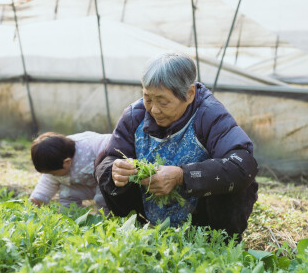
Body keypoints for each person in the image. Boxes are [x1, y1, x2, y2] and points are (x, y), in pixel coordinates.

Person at [95, 52, 258, 241]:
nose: (154, 110)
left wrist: (182, 176)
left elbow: (243, 165)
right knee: (103, 161)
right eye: (148, 99)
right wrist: (116, 169)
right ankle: (137, 231)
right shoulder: (135, 115)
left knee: (236, 180)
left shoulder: (208, 114)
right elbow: (110, 158)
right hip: (149, 212)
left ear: (189, 94)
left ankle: (217, 242)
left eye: (163, 102)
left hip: (201, 218)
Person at [30, 131, 111, 215]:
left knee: (103, 198)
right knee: (66, 195)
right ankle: (70, 218)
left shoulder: (88, 146)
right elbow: (46, 183)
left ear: (67, 162)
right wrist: (36, 199)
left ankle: (105, 219)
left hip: (104, 183)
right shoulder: (54, 164)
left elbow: (111, 142)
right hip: (81, 186)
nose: (51, 176)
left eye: (54, 174)